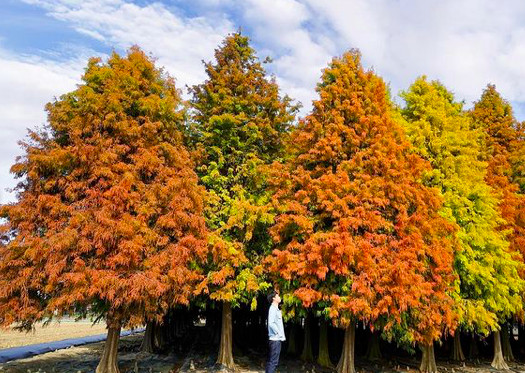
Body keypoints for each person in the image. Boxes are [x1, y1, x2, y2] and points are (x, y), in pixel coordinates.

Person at [266, 290, 285, 373]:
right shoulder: (273, 309)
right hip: (275, 339)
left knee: (272, 361)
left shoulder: (276, 309)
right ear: (274, 298)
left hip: (276, 339)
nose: (279, 297)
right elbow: (271, 323)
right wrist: (278, 333)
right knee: (273, 362)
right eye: (278, 296)